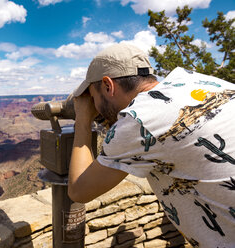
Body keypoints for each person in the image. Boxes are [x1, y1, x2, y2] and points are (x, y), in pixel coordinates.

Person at [68, 43, 235, 247]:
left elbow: (79, 191)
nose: (93, 106)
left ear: (108, 85)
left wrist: (83, 119)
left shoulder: (139, 121)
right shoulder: (197, 80)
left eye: (92, 97)